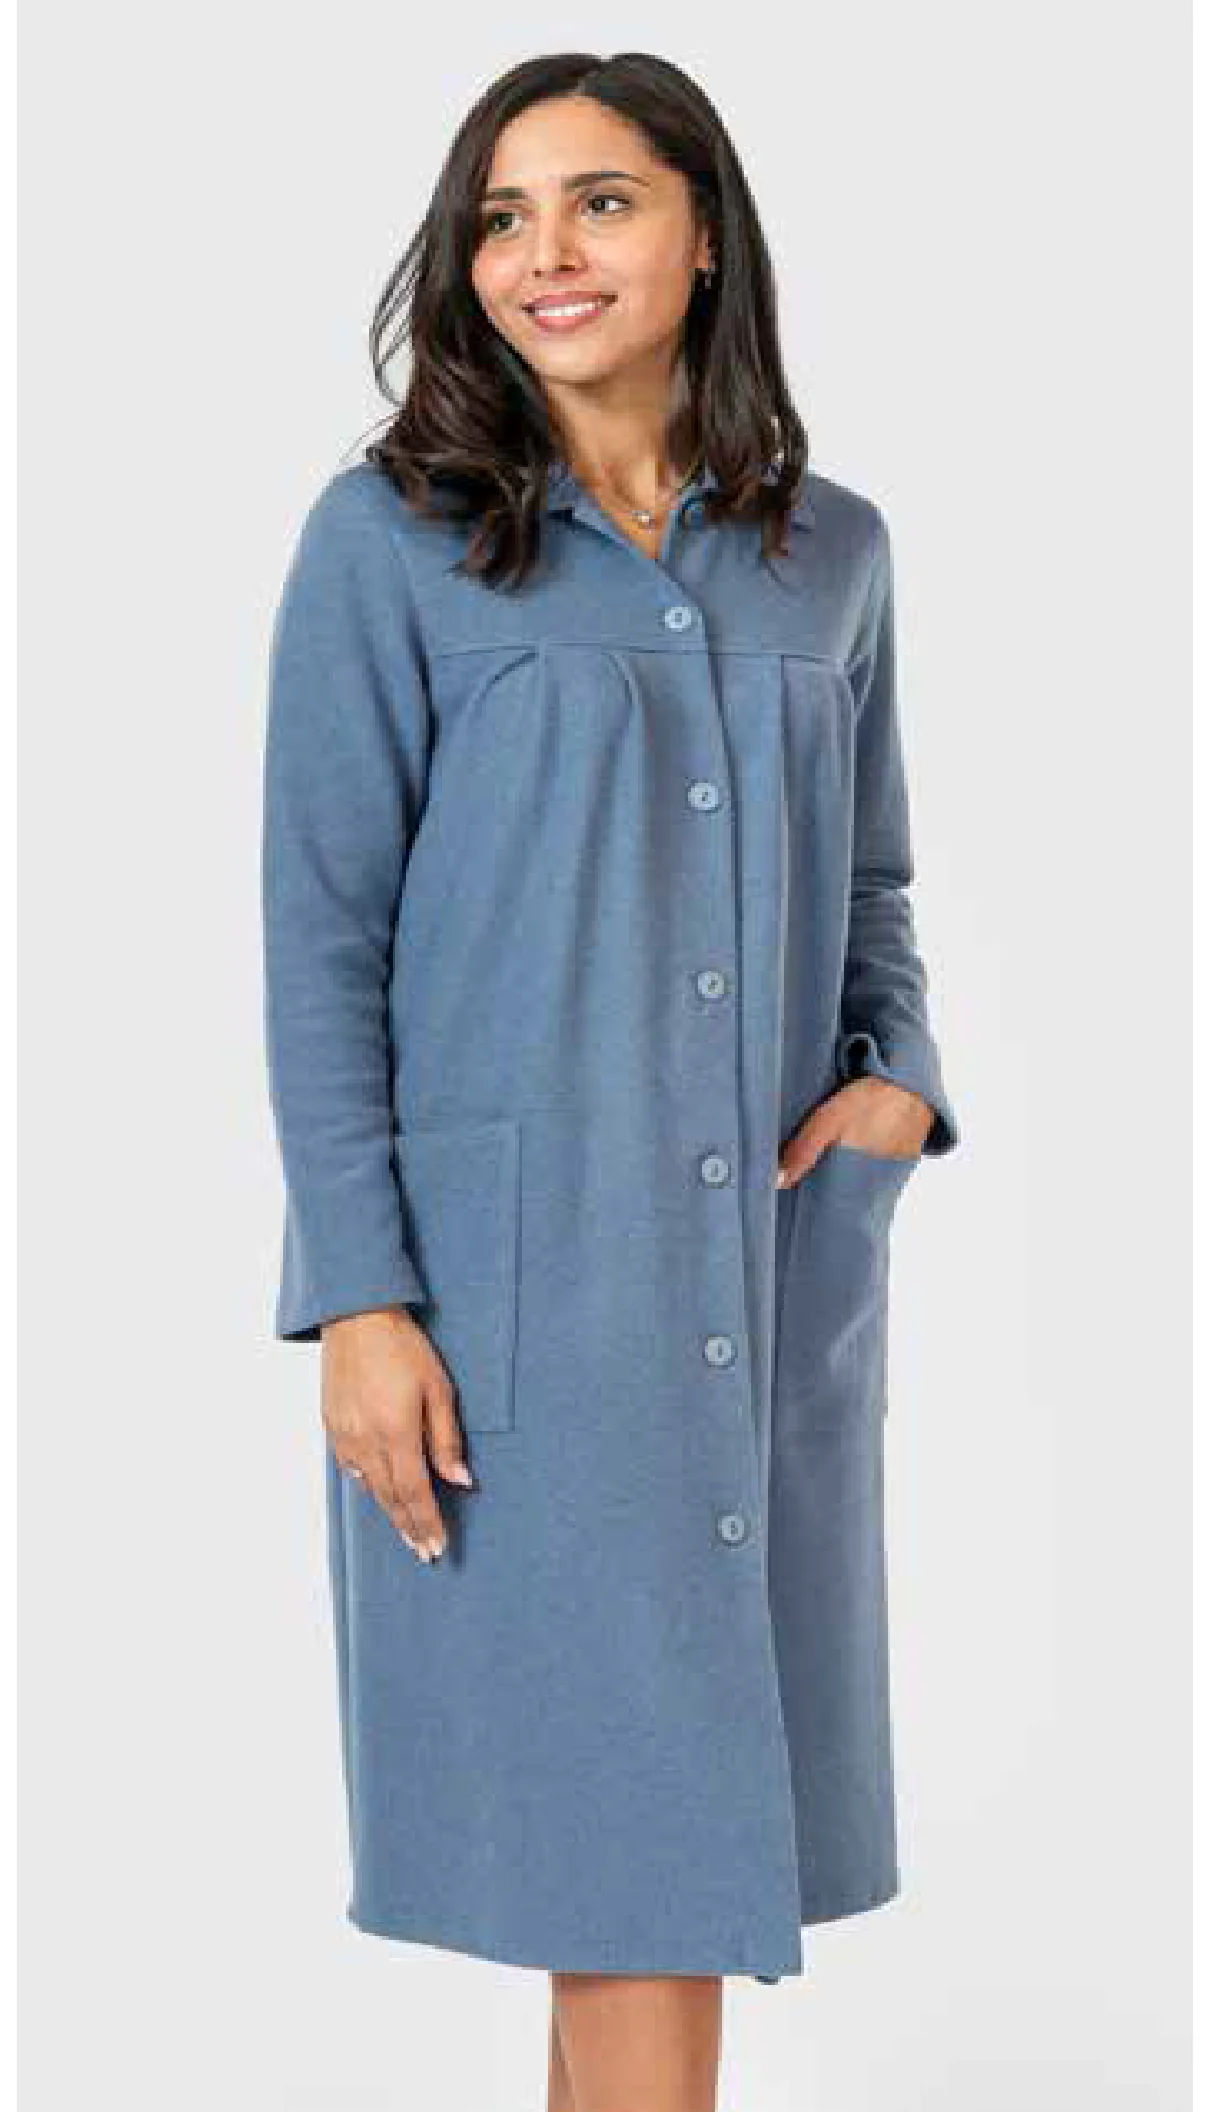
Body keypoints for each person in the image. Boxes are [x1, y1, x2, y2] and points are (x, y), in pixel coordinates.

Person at [261, 48, 961, 2112]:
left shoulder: (833, 554)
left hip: (764, 1280)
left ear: (704, 234)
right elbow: (321, 945)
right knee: (628, 1871)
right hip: (520, 1310)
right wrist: (360, 1299)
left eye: (600, 201)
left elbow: (876, 883)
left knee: (650, 1887)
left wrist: (899, 1080)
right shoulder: (390, 543)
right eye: (501, 216)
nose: (542, 253)